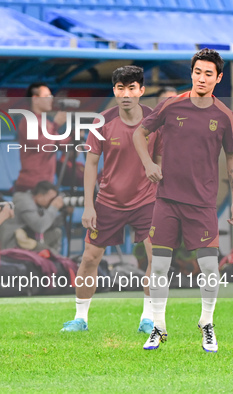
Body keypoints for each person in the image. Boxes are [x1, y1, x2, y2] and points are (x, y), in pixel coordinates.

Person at [133, 48, 233, 352]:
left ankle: (206, 323)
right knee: (159, 267)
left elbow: (232, 158)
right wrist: (149, 165)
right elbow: (139, 134)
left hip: (203, 204)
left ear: (218, 78)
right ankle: (158, 327)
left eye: (209, 73)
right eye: (197, 72)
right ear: (191, 73)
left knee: (209, 267)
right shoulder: (171, 105)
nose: (202, 78)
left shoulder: (224, 116)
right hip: (166, 201)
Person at [61, 65, 161, 334]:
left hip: (147, 202)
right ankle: (80, 318)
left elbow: (161, 161)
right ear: (114, 91)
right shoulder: (101, 122)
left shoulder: (155, 120)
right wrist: (89, 205)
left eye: (131, 88)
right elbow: (91, 165)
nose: (126, 93)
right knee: (89, 258)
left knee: (156, 259)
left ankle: (148, 318)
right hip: (109, 203)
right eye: (120, 88)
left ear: (141, 90)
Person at [13, 83, 68, 191]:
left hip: (45, 186)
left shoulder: (46, 122)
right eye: (47, 97)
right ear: (35, 99)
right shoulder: (28, 121)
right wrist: (56, 124)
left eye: (51, 97)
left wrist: (75, 135)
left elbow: (60, 143)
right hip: (31, 186)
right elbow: (40, 145)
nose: (51, 100)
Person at [0, 181, 65, 253]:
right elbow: (40, 227)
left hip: (29, 239)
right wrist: (54, 207)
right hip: (14, 242)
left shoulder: (38, 203)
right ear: (40, 196)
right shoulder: (25, 202)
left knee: (56, 233)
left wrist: (65, 212)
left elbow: (50, 225)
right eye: (51, 199)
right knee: (51, 252)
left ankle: (50, 261)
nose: (52, 202)